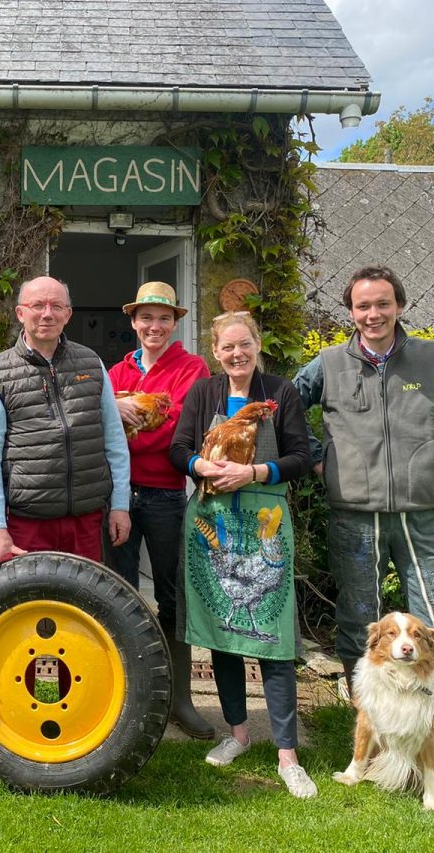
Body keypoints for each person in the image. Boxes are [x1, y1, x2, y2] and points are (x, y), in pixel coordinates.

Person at [293, 264, 434, 727]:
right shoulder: (328, 364)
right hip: (353, 517)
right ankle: (367, 727)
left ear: (399, 306)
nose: (374, 314)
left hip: (420, 514)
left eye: (382, 304)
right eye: (363, 305)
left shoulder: (433, 358)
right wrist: (315, 458)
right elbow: (286, 409)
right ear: (351, 312)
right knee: (358, 622)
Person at [170, 311, 318, 799]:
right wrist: (201, 465)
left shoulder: (282, 392)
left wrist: (253, 474)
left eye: (245, 344)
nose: (237, 354)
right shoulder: (203, 393)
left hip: (264, 521)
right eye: (228, 347)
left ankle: (287, 754)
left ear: (258, 345)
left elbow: (301, 456)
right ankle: (237, 732)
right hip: (211, 519)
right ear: (216, 352)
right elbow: (178, 450)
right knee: (222, 627)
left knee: (272, 635)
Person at [106, 280, 215, 740]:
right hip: (118, 495)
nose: (154, 325)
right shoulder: (115, 371)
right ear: (133, 321)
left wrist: (129, 414)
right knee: (120, 593)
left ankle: (180, 700)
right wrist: (119, 410)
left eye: (163, 317)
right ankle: (129, 696)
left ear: (175, 323)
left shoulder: (193, 369)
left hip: (168, 493)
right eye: (146, 317)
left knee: (173, 597)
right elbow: (104, 423)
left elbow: (177, 426)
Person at [0, 276, 131, 578]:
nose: (47, 313)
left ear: (68, 314)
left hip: (86, 521)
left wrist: (120, 505)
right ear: (20, 313)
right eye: (38, 305)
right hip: (27, 525)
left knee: (86, 607)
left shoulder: (92, 364)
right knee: (31, 610)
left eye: (57, 306)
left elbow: (114, 440)